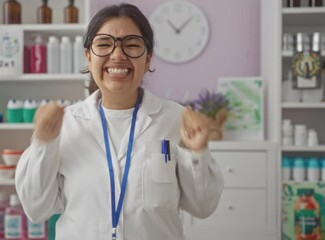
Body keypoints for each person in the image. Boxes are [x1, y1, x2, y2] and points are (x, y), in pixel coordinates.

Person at [15, 3, 224, 240]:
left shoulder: (176, 120)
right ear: (88, 56)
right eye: (104, 44)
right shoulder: (66, 126)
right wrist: (43, 143)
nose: (117, 55)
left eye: (132, 45)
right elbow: (35, 208)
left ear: (147, 59)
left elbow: (203, 206)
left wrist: (197, 153)